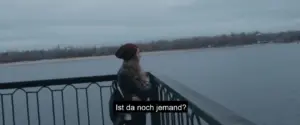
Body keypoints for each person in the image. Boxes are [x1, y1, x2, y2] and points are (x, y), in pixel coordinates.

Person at [109, 43, 151, 125]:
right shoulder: (126, 73)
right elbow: (143, 93)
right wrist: (148, 83)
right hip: (132, 117)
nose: (140, 56)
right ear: (133, 57)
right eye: (138, 53)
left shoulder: (128, 70)